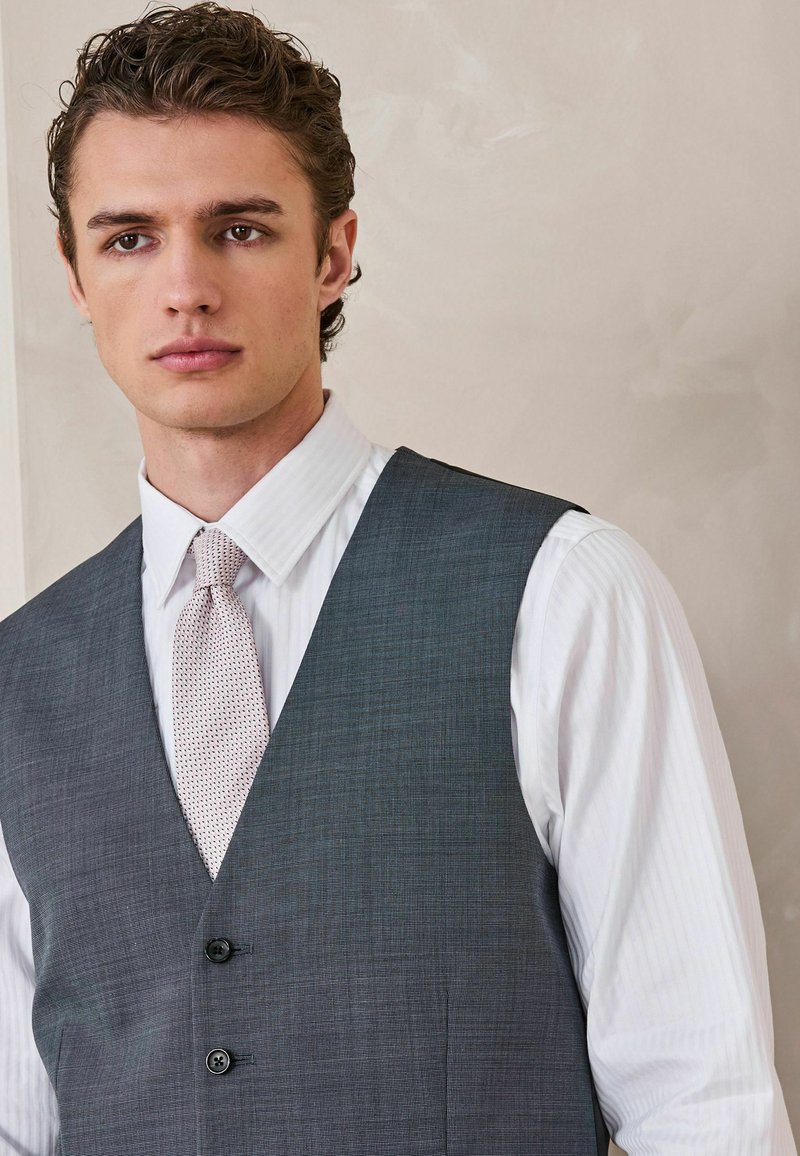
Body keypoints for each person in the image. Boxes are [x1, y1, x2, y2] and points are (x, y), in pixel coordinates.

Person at [0, 4, 795, 1153]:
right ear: (74, 273)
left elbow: (704, 1104)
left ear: (331, 254)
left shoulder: (561, 594)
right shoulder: (18, 681)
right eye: (128, 238)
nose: (184, 288)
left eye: (238, 229)